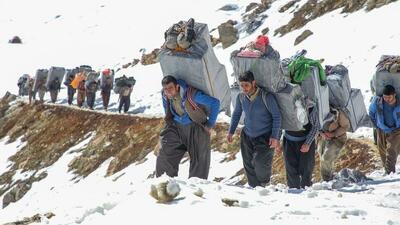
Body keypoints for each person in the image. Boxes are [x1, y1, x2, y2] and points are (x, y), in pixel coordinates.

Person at [156, 75, 220, 179]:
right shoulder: (165, 95)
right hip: (176, 126)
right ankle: (165, 184)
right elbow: (166, 108)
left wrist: (210, 124)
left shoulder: (191, 95)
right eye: (165, 89)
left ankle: (195, 190)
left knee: (199, 163)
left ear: (177, 87)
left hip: (196, 127)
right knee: (165, 154)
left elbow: (215, 103)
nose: (168, 91)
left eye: (170, 88)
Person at [227, 71, 281, 188]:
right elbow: (236, 114)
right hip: (247, 135)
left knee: (260, 163)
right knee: (248, 165)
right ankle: (253, 189)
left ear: (253, 83)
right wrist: (231, 131)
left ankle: (265, 186)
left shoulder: (266, 97)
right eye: (241, 85)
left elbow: (277, 116)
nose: (244, 88)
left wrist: (275, 137)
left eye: (246, 85)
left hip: (265, 136)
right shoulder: (241, 97)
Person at [282, 99, 319, 189]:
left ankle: (306, 194)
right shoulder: (285, 104)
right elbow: (280, 122)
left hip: (306, 142)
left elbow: (316, 126)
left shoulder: (310, 106)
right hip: (289, 141)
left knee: (306, 170)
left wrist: (307, 143)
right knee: (291, 170)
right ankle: (293, 193)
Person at [369, 84, 400, 174]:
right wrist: (376, 126)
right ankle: (387, 171)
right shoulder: (377, 101)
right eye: (385, 97)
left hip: (396, 130)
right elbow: (371, 112)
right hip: (381, 129)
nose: (387, 100)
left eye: (389, 97)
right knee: (382, 150)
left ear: (394, 95)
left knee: (391, 150)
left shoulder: (399, 103)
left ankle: (390, 173)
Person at [318, 107, 350, 181]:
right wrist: (322, 133)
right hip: (323, 137)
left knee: (326, 158)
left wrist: (333, 134)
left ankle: (326, 180)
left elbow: (346, 126)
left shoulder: (339, 112)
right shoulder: (318, 109)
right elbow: (315, 124)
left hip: (337, 139)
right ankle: (328, 177)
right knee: (322, 159)